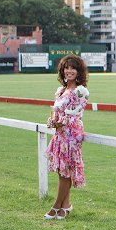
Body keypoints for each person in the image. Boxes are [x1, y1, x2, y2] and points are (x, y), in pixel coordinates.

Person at [44, 55, 90, 220]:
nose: (69, 71)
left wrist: (59, 122)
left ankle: (56, 206)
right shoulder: (61, 90)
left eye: (73, 68)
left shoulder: (79, 91)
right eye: (66, 68)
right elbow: (57, 111)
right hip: (60, 133)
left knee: (66, 171)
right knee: (61, 170)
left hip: (71, 133)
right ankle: (66, 206)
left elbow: (75, 114)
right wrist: (53, 121)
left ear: (78, 71)